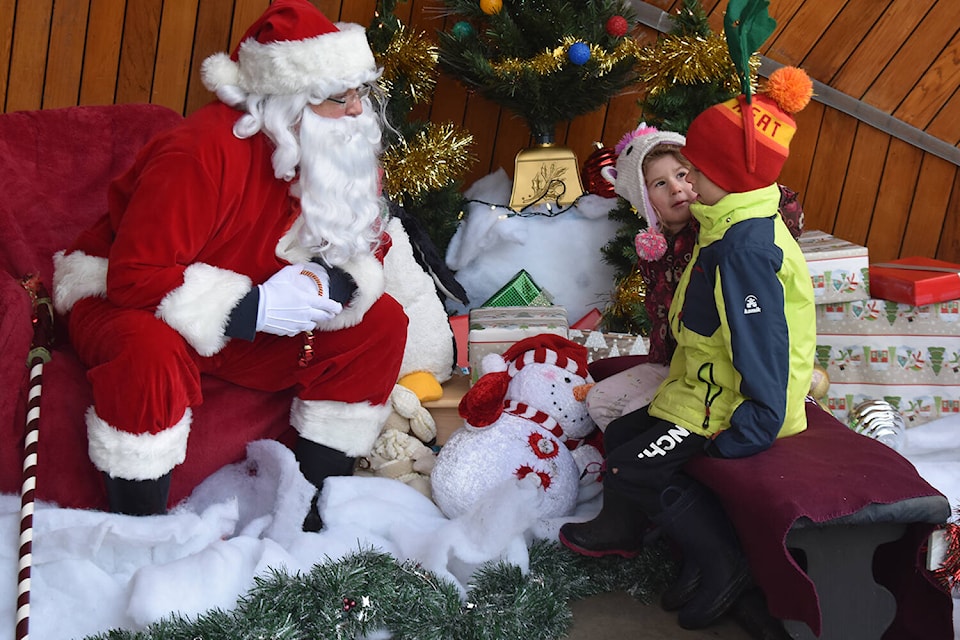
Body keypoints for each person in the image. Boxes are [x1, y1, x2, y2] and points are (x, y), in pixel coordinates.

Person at [52, 0, 407, 521]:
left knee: (381, 326)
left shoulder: (342, 146)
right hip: (124, 293)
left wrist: (323, 282)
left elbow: (368, 244)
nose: (357, 110)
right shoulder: (198, 153)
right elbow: (135, 277)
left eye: (360, 92)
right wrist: (254, 308)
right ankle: (139, 530)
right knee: (147, 354)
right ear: (288, 104)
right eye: (338, 98)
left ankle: (313, 511)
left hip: (252, 310)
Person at [560, 66, 817, 630]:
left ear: (722, 174)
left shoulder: (744, 249)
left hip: (731, 406)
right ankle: (660, 541)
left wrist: (753, 427)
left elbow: (764, 347)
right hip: (703, 387)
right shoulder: (726, 224)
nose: (687, 181)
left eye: (694, 169)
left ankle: (725, 565)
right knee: (626, 434)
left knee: (632, 463)